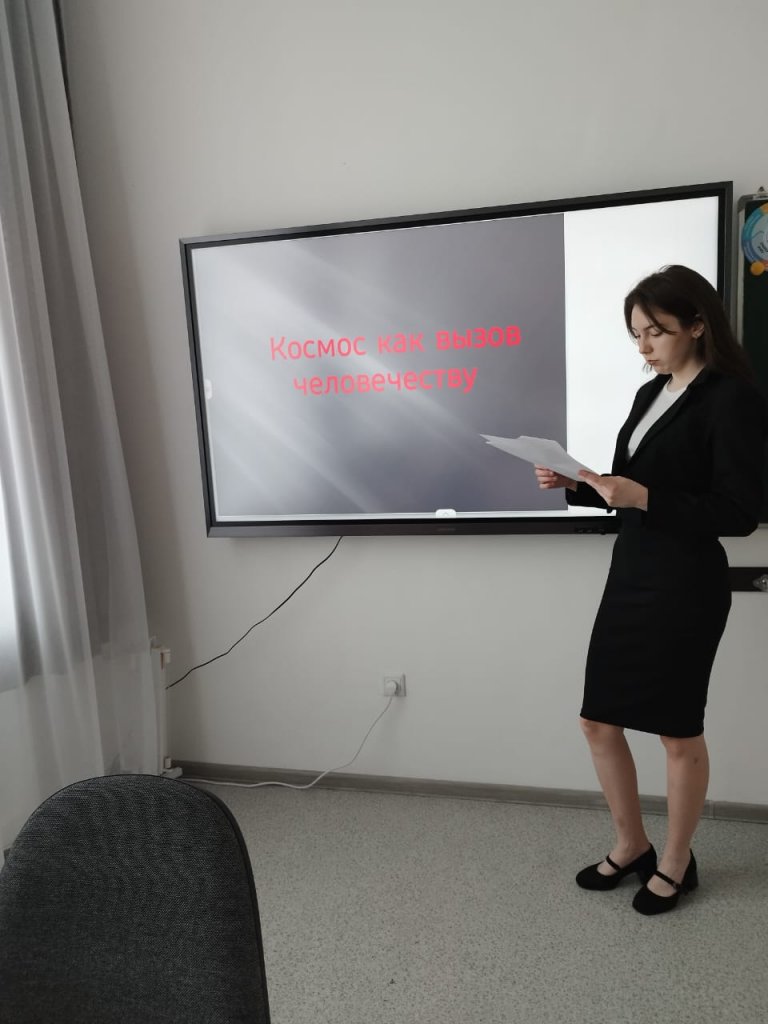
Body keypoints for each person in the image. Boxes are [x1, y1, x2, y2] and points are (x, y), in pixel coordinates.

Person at [535, 264, 768, 916]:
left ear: (697, 325)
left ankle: (676, 860)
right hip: (631, 571)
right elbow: (633, 489)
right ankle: (631, 843)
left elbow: (739, 511)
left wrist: (644, 496)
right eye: (635, 334)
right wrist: (580, 485)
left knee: (676, 732)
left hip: (686, 583)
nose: (643, 346)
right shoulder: (650, 394)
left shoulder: (732, 399)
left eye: (655, 332)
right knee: (597, 719)